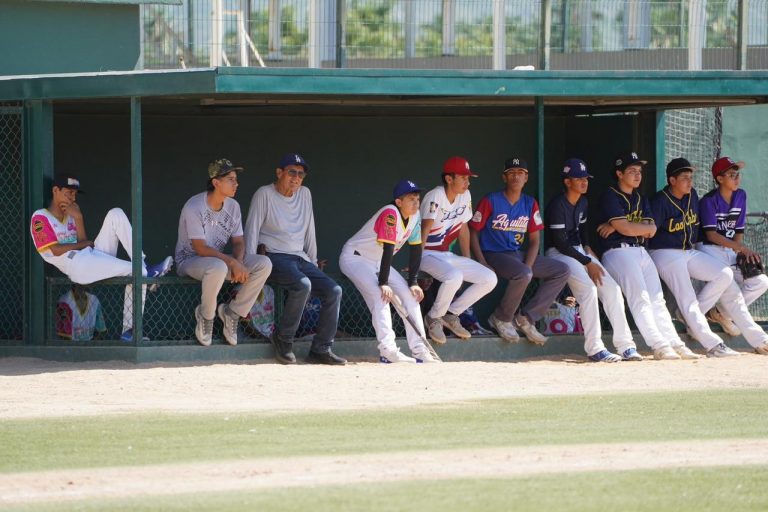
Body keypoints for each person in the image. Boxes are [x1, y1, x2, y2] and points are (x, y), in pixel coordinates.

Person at [30, 174, 172, 341]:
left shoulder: (71, 215)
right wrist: (81, 245)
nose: (72, 198)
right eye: (69, 192)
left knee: (116, 214)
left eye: (75, 194)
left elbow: (85, 243)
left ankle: (144, 264)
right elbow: (54, 250)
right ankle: (129, 330)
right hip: (77, 267)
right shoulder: (40, 217)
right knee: (138, 272)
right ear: (55, 190)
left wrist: (78, 217)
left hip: (90, 257)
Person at [649, 157, 768, 356]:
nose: (690, 181)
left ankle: (717, 316)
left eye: (691, 177)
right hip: (664, 252)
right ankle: (715, 345)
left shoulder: (692, 196)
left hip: (689, 251)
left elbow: (734, 229)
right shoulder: (660, 201)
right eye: (685, 177)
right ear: (672, 180)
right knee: (689, 297)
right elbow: (650, 230)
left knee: (724, 275)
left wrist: (736, 250)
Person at [245, 153, 346, 365]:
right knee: (303, 285)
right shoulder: (264, 193)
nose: (296, 178)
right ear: (279, 172)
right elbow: (252, 229)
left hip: (300, 258)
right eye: (292, 172)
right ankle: (284, 340)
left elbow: (310, 228)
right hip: (273, 255)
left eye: (301, 174)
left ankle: (321, 349)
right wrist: (249, 261)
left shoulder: (305, 194)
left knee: (334, 290)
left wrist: (313, 259)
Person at [595, 152, 698, 360]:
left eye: (639, 171)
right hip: (617, 252)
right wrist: (624, 227)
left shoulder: (641, 197)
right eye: (631, 171)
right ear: (619, 173)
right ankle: (659, 345)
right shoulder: (610, 194)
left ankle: (674, 342)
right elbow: (625, 227)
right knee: (640, 298)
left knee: (657, 299)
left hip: (641, 251)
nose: (637, 175)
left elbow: (651, 230)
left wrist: (622, 227)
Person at [544, 158, 642, 362]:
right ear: (567, 181)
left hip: (579, 251)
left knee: (613, 290)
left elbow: (583, 233)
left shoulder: (583, 202)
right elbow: (561, 243)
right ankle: (595, 348)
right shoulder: (557, 205)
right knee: (588, 290)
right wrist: (587, 263)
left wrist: (590, 253)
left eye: (585, 178)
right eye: (578, 178)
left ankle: (626, 346)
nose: (584, 182)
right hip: (559, 253)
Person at [469, 157, 569, 345]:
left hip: (517, 255)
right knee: (523, 273)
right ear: (504, 177)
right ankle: (501, 317)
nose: (516, 177)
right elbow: (473, 231)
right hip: (494, 253)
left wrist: (528, 267)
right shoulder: (491, 200)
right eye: (512, 173)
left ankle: (526, 318)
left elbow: (534, 240)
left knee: (561, 270)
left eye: (520, 173)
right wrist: (482, 262)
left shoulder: (530, 203)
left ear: (526, 178)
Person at [175, 159, 272, 347]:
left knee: (263, 264)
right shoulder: (194, 206)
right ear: (216, 182)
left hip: (217, 263)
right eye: (230, 179)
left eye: (236, 179)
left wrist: (238, 262)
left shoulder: (233, 206)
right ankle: (206, 316)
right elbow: (200, 248)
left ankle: (232, 312)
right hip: (189, 260)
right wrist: (233, 263)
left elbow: (238, 241)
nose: (236, 183)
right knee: (218, 266)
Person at [340, 179, 439, 363]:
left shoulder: (415, 216)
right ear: (399, 201)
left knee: (411, 296)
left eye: (417, 198)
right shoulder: (390, 213)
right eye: (411, 198)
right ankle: (388, 351)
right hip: (355, 257)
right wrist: (384, 283)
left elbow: (416, 248)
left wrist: (413, 282)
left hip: (377, 261)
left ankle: (420, 351)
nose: (416, 202)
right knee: (381, 296)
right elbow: (388, 249)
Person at [419, 156, 498, 344]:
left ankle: (452, 314)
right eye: (463, 177)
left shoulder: (465, 195)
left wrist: (467, 260)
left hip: (446, 255)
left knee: (489, 278)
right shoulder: (435, 196)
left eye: (468, 177)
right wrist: (415, 263)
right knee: (454, 276)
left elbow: (463, 228)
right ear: (449, 178)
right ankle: (433, 317)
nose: (467, 181)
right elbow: (425, 230)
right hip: (425, 252)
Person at [699, 156, 768, 344]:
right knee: (728, 279)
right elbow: (711, 235)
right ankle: (697, 317)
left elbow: (738, 230)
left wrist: (738, 252)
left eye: (737, 174)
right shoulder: (709, 201)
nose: (736, 178)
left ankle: (720, 313)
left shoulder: (741, 196)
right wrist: (741, 248)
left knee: (761, 282)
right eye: (731, 174)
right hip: (708, 249)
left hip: (729, 249)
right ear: (720, 179)